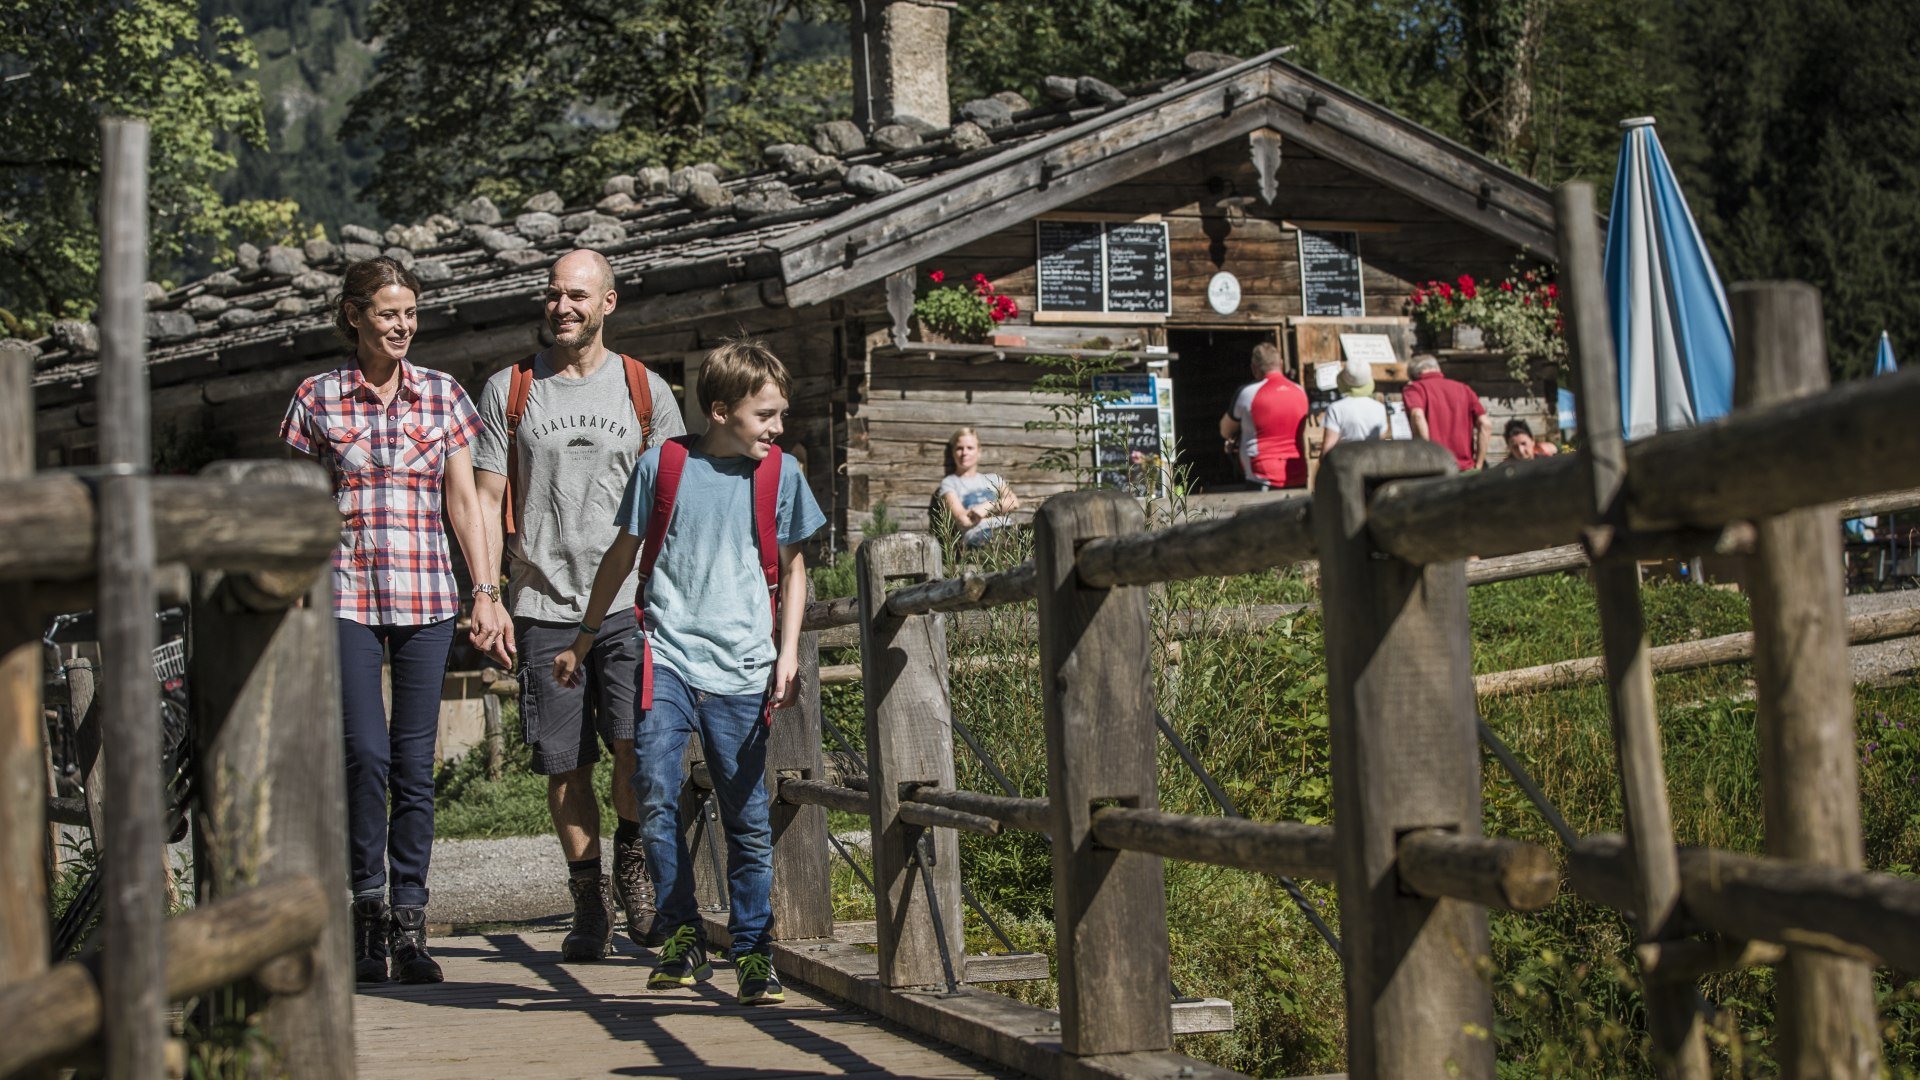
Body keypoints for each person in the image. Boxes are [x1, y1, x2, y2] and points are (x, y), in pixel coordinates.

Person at [556, 339, 822, 1006]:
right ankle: (681, 937)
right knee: (652, 784)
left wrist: (788, 652)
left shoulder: (781, 474)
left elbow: (793, 568)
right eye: (766, 415)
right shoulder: (664, 466)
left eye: (781, 414)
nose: (778, 427)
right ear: (721, 410)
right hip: (667, 655)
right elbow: (622, 556)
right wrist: (584, 640)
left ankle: (754, 952)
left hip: (743, 666)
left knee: (747, 817)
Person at [279, 256, 504, 985]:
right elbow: (299, 502)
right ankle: (364, 914)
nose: (402, 325)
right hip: (342, 595)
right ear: (354, 316)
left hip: (427, 598)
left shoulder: (443, 397)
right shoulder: (317, 398)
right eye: (387, 312)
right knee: (364, 757)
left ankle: (411, 924)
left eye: (410, 312)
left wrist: (486, 589)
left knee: (414, 766)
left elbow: (466, 502)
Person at [471, 249, 686, 961]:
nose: (562, 306)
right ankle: (587, 899)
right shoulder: (511, 388)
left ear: (608, 304)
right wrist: (488, 593)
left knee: (633, 747)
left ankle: (633, 870)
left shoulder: (645, 391)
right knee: (565, 763)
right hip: (540, 602)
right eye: (554, 294)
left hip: (629, 604)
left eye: (577, 296)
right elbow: (482, 495)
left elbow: (674, 504)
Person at [1220, 341, 1309, 490]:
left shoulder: (1247, 393)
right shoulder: (1300, 391)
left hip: (1262, 474)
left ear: (1254, 368)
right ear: (1281, 364)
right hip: (1296, 471)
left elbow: (1225, 431)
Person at [1402, 354, 1491, 471]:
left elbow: (1417, 416)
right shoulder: (1464, 389)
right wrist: (1478, 465)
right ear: (1437, 369)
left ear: (1414, 375)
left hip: (1435, 470)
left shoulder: (1415, 388)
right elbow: (1485, 424)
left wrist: (1428, 456)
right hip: (1465, 470)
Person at [935, 428, 1020, 545]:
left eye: (970, 448)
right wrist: (1000, 506)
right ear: (953, 452)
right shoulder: (950, 483)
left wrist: (987, 506)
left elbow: (1014, 502)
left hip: (1008, 529)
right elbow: (963, 520)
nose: (964, 453)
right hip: (978, 537)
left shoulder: (993, 478)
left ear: (979, 451)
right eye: (960, 448)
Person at [1320, 356, 1390, 454]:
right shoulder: (1379, 408)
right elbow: (1381, 443)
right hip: (1372, 465)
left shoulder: (1335, 409)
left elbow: (1326, 451)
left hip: (1346, 465)